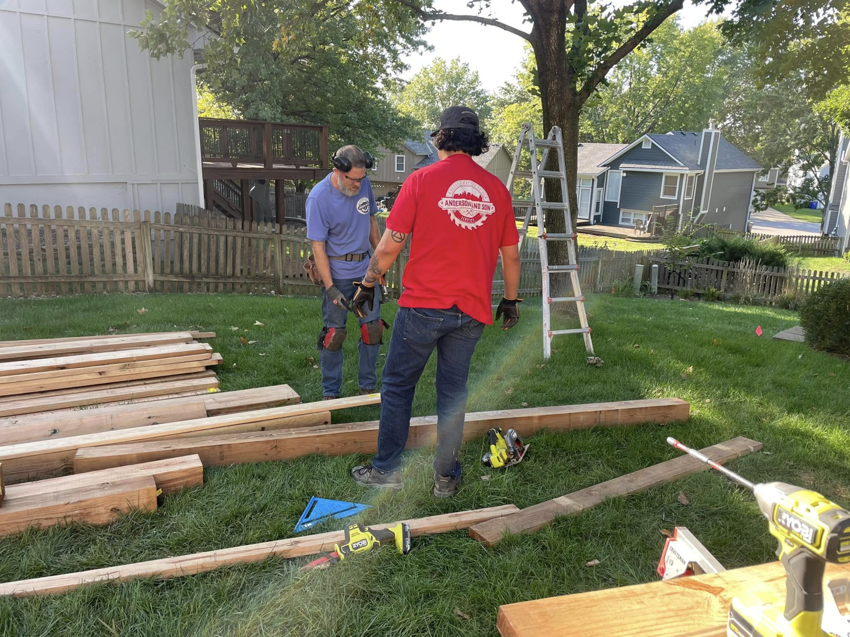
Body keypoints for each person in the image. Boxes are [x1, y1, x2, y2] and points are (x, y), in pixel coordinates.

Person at [347, 106, 522, 497]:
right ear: (476, 142)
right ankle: (445, 477)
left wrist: (367, 283)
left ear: (440, 137)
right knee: (453, 393)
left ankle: (387, 470)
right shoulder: (496, 190)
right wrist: (511, 300)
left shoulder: (421, 180)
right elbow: (511, 256)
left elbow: (392, 245)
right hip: (471, 311)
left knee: (397, 387)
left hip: (422, 307)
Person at [306, 145, 384, 400]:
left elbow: (371, 221)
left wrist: (379, 263)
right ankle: (330, 392)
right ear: (338, 171)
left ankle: (367, 388)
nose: (359, 185)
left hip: (365, 271)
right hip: (336, 272)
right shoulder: (319, 198)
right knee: (334, 334)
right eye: (354, 180)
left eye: (362, 179)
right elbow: (317, 246)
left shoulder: (364, 184)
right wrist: (331, 289)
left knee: (372, 330)